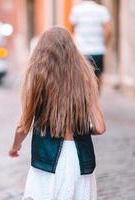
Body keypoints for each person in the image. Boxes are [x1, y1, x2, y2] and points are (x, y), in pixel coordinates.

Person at [9, 27, 106, 200]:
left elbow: (24, 125)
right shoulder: (85, 77)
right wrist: (78, 123)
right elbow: (99, 127)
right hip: (80, 163)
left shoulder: (37, 77)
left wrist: (15, 147)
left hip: (48, 165)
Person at [70, 0, 111, 92]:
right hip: (98, 50)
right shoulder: (102, 10)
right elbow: (108, 31)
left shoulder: (76, 10)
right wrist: (104, 44)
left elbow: (73, 30)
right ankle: (96, 100)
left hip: (82, 51)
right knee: (98, 77)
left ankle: (85, 101)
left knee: (82, 79)